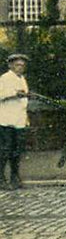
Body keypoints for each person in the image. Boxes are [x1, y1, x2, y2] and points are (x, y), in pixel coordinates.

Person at [0, 54, 31, 189]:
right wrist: (14, 94)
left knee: (17, 150)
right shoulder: (5, 78)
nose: (20, 68)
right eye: (18, 65)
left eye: (22, 66)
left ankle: (15, 178)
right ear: (11, 66)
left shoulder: (22, 79)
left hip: (19, 119)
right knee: (5, 150)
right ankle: (1, 179)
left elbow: (24, 100)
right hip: (6, 119)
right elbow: (1, 94)